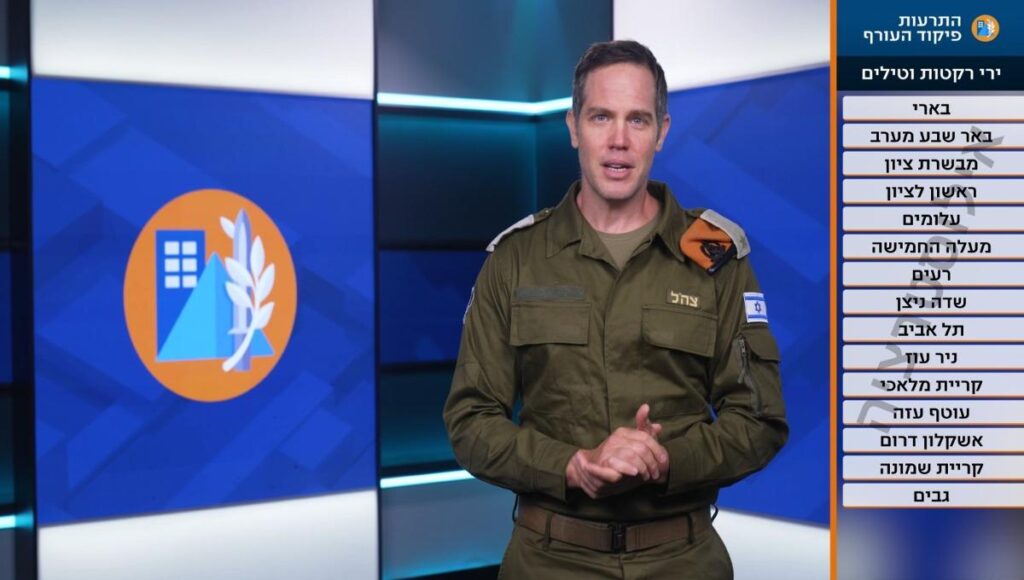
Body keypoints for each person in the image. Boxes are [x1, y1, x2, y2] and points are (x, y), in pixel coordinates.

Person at [443, 39, 787, 579]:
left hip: (682, 562)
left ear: (662, 132)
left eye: (638, 120)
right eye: (601, 117)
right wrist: (571, 466)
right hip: (549, 562)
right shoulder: (517, 259)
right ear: (574, 127)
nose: (619, 140)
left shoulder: (714, 257)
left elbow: (760, 420)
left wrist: (666, 461)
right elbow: (470, 422)